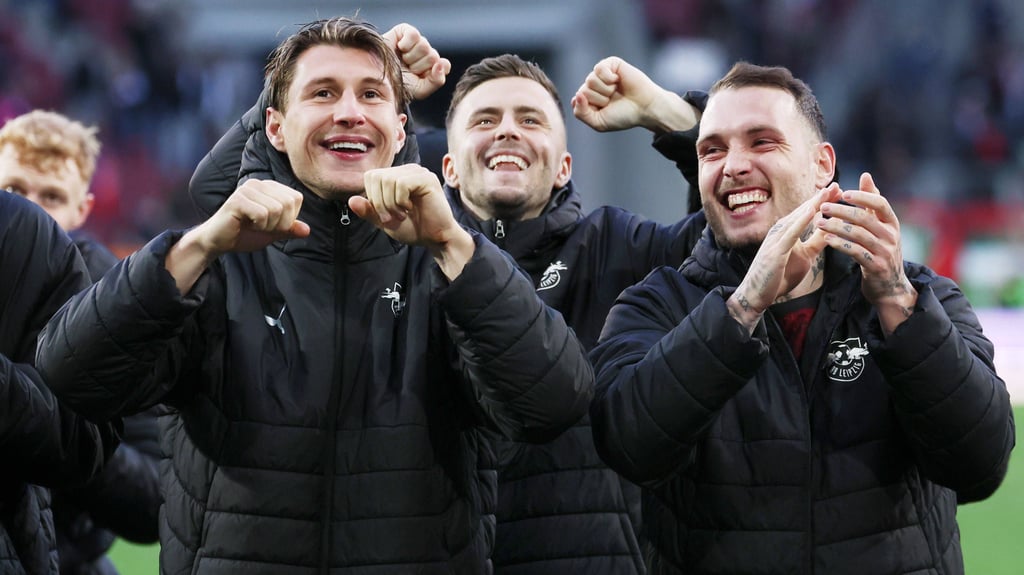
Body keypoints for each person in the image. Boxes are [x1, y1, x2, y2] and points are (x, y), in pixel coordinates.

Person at [35, 17, 593, 574]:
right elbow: (71, 376)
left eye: (371, 94)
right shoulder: (217, 260)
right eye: (323, 93)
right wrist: (195, 246)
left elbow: (553, 405)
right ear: (273, 128)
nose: (349, 111)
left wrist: (453, 244)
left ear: (400, 131)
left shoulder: (450, 262)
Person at [587, 60, 1015, 574]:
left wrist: (898, 305)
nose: (733, 165)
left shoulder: (923, 299)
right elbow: (630, 449)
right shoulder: (654, 304)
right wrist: (742, 309)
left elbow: (980, 466)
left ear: (821, 165)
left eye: (762, 142)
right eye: (711, 150)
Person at [430, 54, 707, 574]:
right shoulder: (404, 260)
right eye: (485, 120)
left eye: (530, 120)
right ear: (449, 165)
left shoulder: (619, 247)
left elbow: (739, 239)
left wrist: (670, 116)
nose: (507, 131)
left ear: (563, 167)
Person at [0, 109, 162, 575]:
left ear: (83, 209)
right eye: (14, 191)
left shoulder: (121, 305)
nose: (31, 209)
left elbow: (153, 499)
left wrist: (68, 437)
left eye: (50, 196)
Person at [0, 191, 120, 574]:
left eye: (54, 192)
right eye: (17, 183)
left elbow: (89, 435)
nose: (33, 196)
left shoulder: (24, 233)